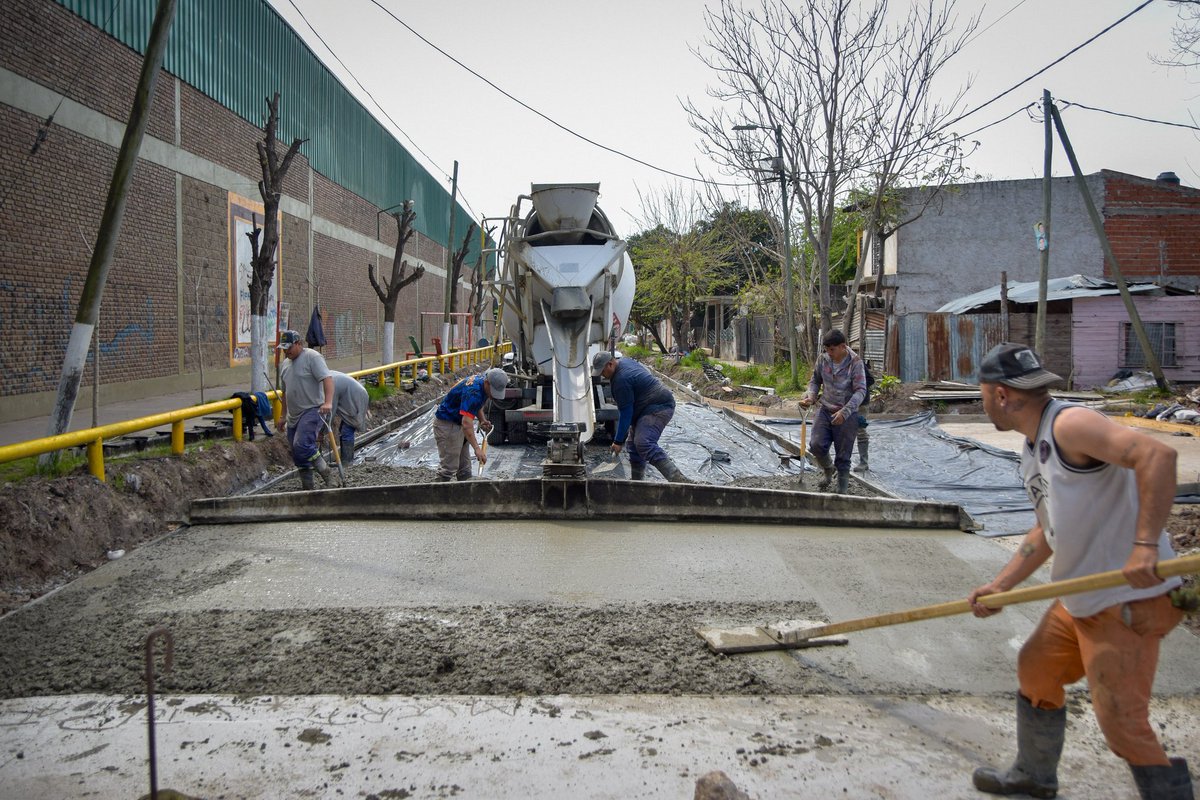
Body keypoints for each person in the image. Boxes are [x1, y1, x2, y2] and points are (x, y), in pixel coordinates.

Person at [968, 342, 1191, 800]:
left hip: (1127, 598)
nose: (982, 401)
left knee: (1122, 723)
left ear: (1002, 395)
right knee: (1036, 670)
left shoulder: (1070, 424)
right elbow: (1047, 530)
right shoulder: (1034, 448)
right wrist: (1001, 586)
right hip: (1081, 598)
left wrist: (1145, 545)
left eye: (983, 394)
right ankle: (1034, 775)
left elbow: (1158, 457)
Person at [592, 350, 686, 482]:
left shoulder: (621, 380)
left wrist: (618, 441)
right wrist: (622, 438)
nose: (602, 375)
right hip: (645, 407)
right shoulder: (624, 362)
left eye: (602, 371)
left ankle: (679, 480)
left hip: (658, 406)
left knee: (643, 443)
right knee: (633, 446)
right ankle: (637, 483)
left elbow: (625, 413)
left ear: (610, 364)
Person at [799, 329, 867, 493]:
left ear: (843, 346)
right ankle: (829, 468)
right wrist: (811, 396)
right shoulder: (823, 359)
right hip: (825, 408)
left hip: (847, 411)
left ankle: (842, 490)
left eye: (832, 350)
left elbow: (861, 391)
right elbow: (815, 380)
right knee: (816, 445)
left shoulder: (855, 363)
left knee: (843, 456)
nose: (829, 353)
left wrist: (845, 412)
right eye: (826, 349)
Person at [277, 329, 335, 490]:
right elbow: (285, 392)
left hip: (312, 409)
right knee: (297, 453)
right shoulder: (285, 365)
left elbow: (327, 378)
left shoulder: (312, 357)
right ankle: (308, 487)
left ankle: (326, 473)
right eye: (283, 348)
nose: (286, 351)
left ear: (298, 343)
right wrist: (282, 416)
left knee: (302, 445)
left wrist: (328, 402)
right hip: (293, 415)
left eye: (289, 347)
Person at [433, 368, 508, 481]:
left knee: (465, 469)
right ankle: (435, 496)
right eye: (493, 390)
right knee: (448, 468)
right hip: (448, 424)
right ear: (487, 383)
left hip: (457, 423)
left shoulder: (482, 383)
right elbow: (466, 424)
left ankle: (465, 496)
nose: (493, 396)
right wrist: (477, 449)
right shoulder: (474, 392)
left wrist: (482, 419)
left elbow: (474, 406)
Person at [330, 371, 370, 463]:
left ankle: (347, 461)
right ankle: (345, 459)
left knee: (347, 430)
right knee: (343, 429)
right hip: (351, 397)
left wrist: (322, 431)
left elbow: (331, 410)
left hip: (356, 398)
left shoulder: (331, 384)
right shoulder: (327, 377)